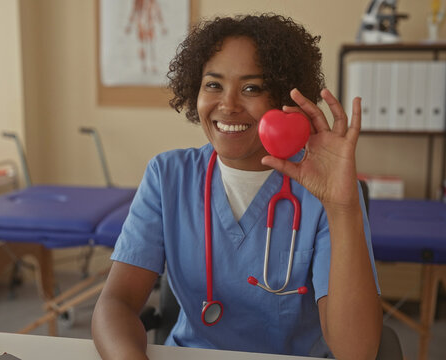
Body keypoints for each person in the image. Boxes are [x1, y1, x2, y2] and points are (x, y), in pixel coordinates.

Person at [92, 14, 382, 360]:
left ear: (283, 100)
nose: (227, 105)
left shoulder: (322, 191)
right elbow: (116, 303)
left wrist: (343, 207)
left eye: (251, 88)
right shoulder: (168, 176)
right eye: (213, 85)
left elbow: (357, 352)